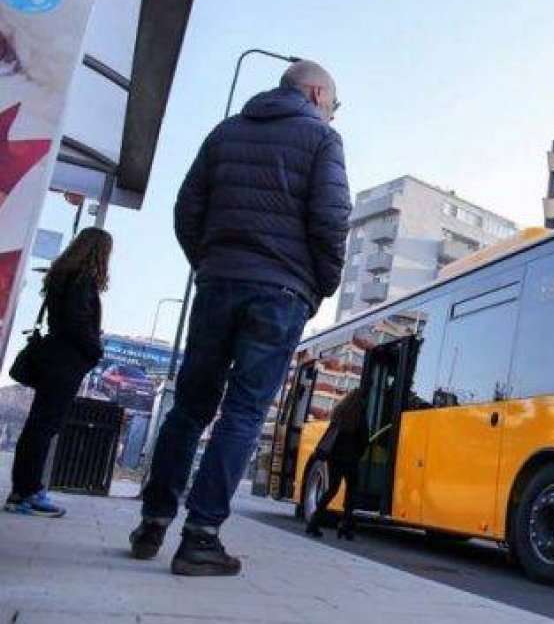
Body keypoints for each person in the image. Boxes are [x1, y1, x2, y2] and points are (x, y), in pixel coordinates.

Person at [129, 59, 351, 577]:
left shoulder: (225, 132)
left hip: (217, 284)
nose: (334, 116)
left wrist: (211, 263)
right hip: (280, 291)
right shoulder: (321, 141)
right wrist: (318, 284)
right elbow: (332, 218)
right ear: (317, 94)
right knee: (244, 413)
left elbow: (187, 209)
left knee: (189, 408)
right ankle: (201, 538)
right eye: (334, 106)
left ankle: (152, 522)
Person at [4, 227, 111, 518]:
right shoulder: (82, 281)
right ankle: (28, 492)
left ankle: (23, 490)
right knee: (45, 425)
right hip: (66, 360)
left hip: (54, 355)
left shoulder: (60, 276)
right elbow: (77, 323)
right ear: (99, 252)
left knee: (38, 424)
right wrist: (95, 349)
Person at [306, 389, 369, 540]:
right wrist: (358, 454)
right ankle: (345, 526)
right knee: (351, 491)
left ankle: (313, 522)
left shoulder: (339, 412)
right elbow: (364, 439)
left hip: (334, 457)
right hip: (351, 459)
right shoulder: (359, 415)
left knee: (332, 489)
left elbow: (330, 434)